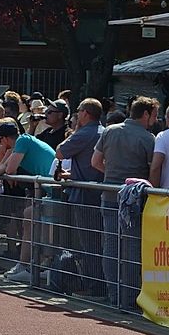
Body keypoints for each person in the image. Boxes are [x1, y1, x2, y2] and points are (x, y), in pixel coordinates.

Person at [91, 96, 158, 306]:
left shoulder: (110, 131)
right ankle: (129, 298)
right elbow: (153, 169)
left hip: (110, 195)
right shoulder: (148, 138)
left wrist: (112, 175)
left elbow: (95, 162)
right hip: (135, 201)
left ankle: (114, 295)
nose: (156, 119)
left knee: (110, 247)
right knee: (131, 250)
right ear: (145, 114)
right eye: (154, 115)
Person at [0, 122, 56, 282]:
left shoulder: (23, 141)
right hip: (51, 191)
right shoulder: (24, 141)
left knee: (32, 218)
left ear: (5, 139)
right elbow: (3, 165)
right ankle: (29, 264)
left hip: (56, 192)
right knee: (30, 218)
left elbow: (10, 168)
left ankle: (30, 265)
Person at [56, 97, 106, 295]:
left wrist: (75, 130)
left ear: (85, 113)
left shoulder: (84, 132)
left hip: (85, 195)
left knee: (89, 243)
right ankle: (103, 286)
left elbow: (60, 152)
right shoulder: (104, 131)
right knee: (103, 242)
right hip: (102, 191)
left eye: (78, 110)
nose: (76, 114)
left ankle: (95, 288)